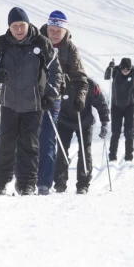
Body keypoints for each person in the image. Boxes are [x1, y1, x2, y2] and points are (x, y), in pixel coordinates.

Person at [0, 7, 63, 196]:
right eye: (14, 26)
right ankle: (2, 182)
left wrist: (50, 94)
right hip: (9, 103)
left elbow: (56, 71)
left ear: (28, 25)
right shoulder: (1, 44)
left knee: (29, 145)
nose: (19, 29)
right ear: (9, 28)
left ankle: (26, 184)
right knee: (6, 144)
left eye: (22, 25)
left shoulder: (42, 43)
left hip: (34, 104)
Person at [37, 10, 88, 196]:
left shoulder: (70, 49)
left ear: (65, 31)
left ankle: (44, 183)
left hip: (54, 98)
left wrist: (80, 97)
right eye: (52, 29)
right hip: (31, 96)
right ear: (47, 28)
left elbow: (80, 78)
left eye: (59, 30)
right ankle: (25, 180)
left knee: (49, 139)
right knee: (27, 138)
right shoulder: (37, 41)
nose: (55, 33)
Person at [54, 77, 109, 195]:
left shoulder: (89, 84)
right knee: (62, 151)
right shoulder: (61, 83)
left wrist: (104, 122)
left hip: (84, 122)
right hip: (65, 121)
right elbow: (52, 98)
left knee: (85, 151)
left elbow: (100, 102)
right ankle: (60, 182)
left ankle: (83, 183)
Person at [104, 57, 134, 161]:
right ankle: (112, 156)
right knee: (116, 132)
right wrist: (109, 68)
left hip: (130, 106)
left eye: (127, 70)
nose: (125, 72)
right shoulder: (116, 71)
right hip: (116, 106)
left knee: (129, 132)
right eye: (123, 70)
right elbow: (107, 77)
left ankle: (129, 156)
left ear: (130, 68)